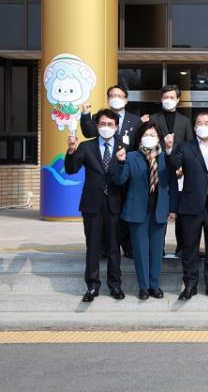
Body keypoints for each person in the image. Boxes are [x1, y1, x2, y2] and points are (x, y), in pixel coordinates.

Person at [64, 109, 126, 302]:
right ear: (97, 126)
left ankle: (115, 285)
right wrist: (71, 150)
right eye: (102, 124)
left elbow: (126, 175)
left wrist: (122, 162)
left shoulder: (124, 147)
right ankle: (92, 286)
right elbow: (71, 169)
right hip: (92, 204)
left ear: (116, 126)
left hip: (115, 204)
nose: (106, 127)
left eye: (110, 124)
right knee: (93, 246)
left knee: (114, 247)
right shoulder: (86, 146)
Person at [112, 121, 177, 300]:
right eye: (145, 135)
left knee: (156, 251)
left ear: (159, 138)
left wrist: (173, 208)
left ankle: (154, 285)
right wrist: (120, 162)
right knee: (140, 252)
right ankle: (143, 287)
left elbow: (172, 184)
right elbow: (120, 180)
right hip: (137, 211)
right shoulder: (131, 156)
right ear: (140, 138)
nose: (149, 138)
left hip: (159, 210)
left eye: (152, 135)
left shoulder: (165, 157)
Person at [81, 84, 143, 259]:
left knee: (125, 212)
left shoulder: (135, 120)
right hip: (104, 174)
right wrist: (85, 114)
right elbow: (88, 132)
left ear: (126, 99)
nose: (116, 98)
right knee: (104, 213)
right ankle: (103, 248)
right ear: (108, 99)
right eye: (112, 95)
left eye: (119, 95)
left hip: (126, 172)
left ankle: (127, 246)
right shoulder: (100, 118)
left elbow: (139, 145)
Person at [169, 112, 208, 300]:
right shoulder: (185, 147)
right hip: (191, 205)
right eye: (199, 123)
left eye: (206, 123)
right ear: (194, 128)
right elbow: (173, 164)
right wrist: (169, 149)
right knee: (189, 247)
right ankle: (190, 284)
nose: (202, 126)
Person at [148, 84, 192, 257]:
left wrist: (184, 168)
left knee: (180, 209)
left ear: (178, 99)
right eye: (165, 97)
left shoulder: (185, 121)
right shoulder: (153, 119)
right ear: (161, 99)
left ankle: (181, 248)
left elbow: (189, 145)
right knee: (160, 209)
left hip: (180, 172)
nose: (168, 100)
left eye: (172, 97)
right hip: (158, 170)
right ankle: (158, 248)